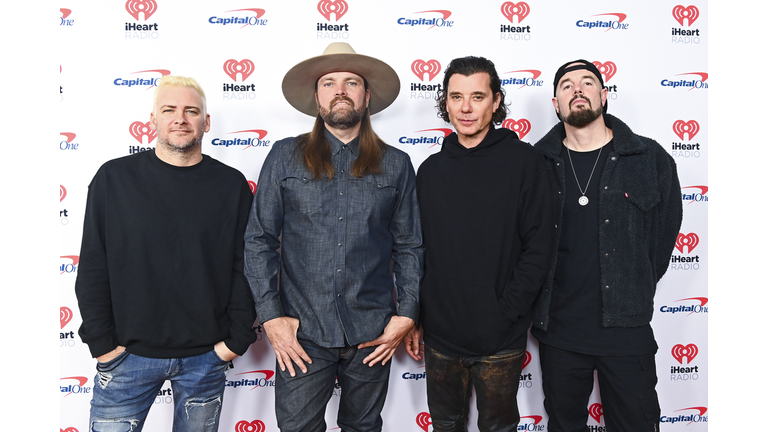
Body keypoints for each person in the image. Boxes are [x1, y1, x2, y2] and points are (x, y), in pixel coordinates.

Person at [244, 42, 423, 432]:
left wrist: (406, 313)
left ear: (367, 95)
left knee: (363, 427)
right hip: (302, 333)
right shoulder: (283, 157)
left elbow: (410, 246)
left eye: (351, 82)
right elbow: (259, 240)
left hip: (372, 334)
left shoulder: (396, 165)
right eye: (329, 83)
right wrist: (272, 317)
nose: (340, 90)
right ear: (317, 97)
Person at [74, 75, 257, 432]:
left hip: (207, 357)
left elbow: (245, 266)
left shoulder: (231, 185)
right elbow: (94, 264)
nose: (181, 118)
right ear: (153, 119)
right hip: (126, 357)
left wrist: (235, 341)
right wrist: (103, 345)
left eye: (192, 111)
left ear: (206, 123)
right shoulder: (114, 179)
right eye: (169, 109)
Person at [531, 60, 683, 432]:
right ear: (555, 103)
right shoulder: (535, 163)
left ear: (603, 95)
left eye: (587, 82)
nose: (577, 90)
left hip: (626, 330)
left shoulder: (650, 159)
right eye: (566, 85)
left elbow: (663, 238)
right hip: (560, 333)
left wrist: (636, 283)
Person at [405, 56, 554, 432]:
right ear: (446, 102)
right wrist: (421, 316)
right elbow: (421, 250)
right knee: (446, 425)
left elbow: (539, 247)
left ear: (496, 101)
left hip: (500, 339)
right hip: (441, 338)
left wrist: (506, 312)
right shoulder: (431, 170)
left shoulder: (526, 162)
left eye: (477, 96)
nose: (466, 108)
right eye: (456, 97)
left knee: (498, 428)